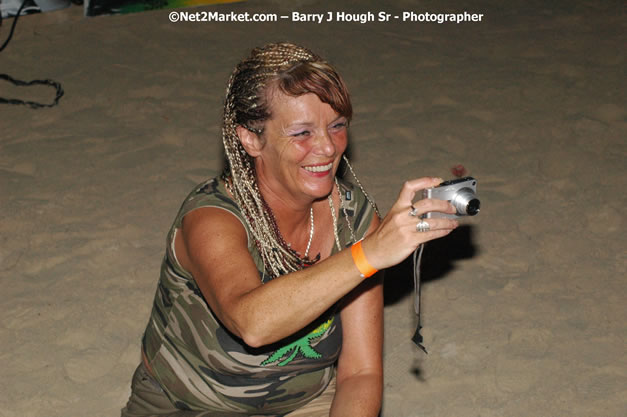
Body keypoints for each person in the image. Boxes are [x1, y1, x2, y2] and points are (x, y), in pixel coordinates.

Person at [121, 42, 458, 417]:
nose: (328, 148)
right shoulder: (211, 217)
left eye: (337, 126)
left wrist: (368, 246)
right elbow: (251, 323)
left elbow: (360, 374)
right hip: (190, 405)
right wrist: (369, 254)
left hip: (304, 403)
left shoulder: (354, 218)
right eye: (302, 133)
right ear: (251, 139)